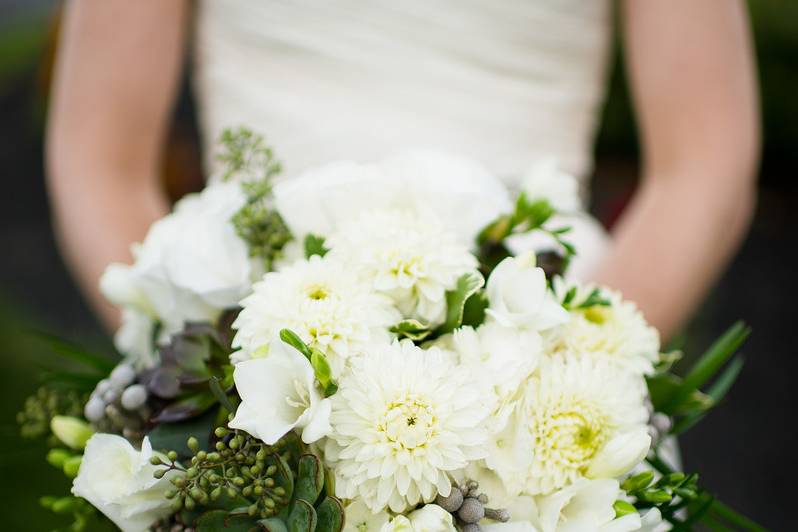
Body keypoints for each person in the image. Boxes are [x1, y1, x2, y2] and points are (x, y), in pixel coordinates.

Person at [46, 0, 759, 341]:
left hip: (547, 327)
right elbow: (100, 162)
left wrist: (569, 368)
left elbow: (702, 162)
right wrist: (205, 370)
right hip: (244, 322)